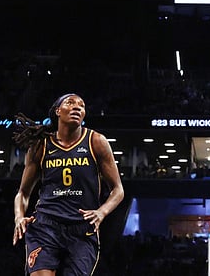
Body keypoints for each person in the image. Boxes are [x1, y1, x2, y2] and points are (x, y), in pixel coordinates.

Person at [11, 93, 125, 276]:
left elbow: (118, 190)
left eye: (82, 105)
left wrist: (101, 212)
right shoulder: (41, 146)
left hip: (82, 228)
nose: (77, 107)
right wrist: (19, 217)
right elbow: (23, 193)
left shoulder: (96, 141)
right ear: (58, 111)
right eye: (70, 103)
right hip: (45, 225)